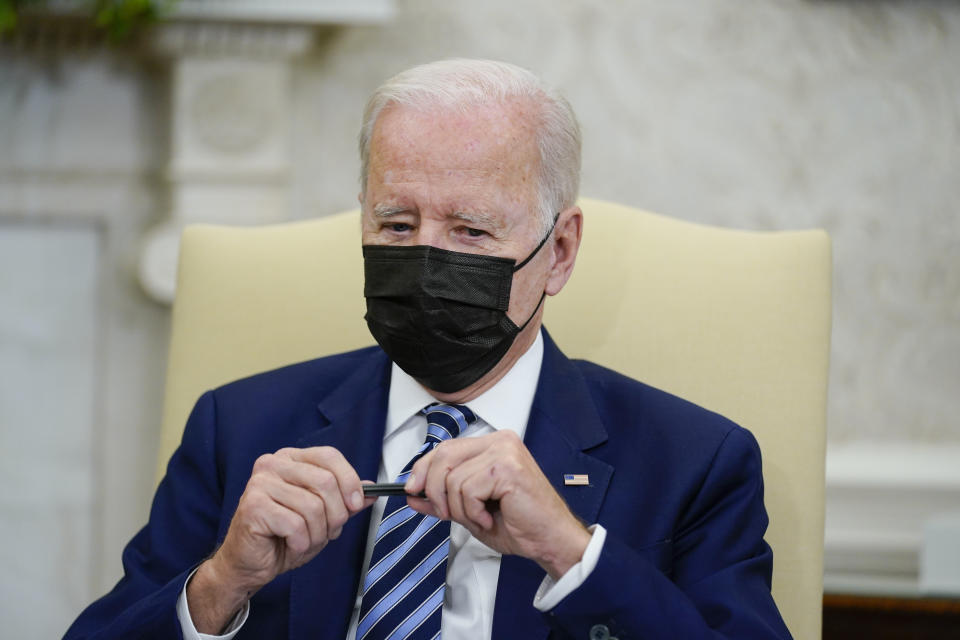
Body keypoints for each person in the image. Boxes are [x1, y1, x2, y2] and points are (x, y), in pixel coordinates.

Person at [65, 59, 792, 640]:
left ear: (560, 251)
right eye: (397, 224)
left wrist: (569, 553)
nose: (426, 258)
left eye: (471, 231)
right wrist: (222, 583)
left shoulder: (694, 462)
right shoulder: (240, 429)